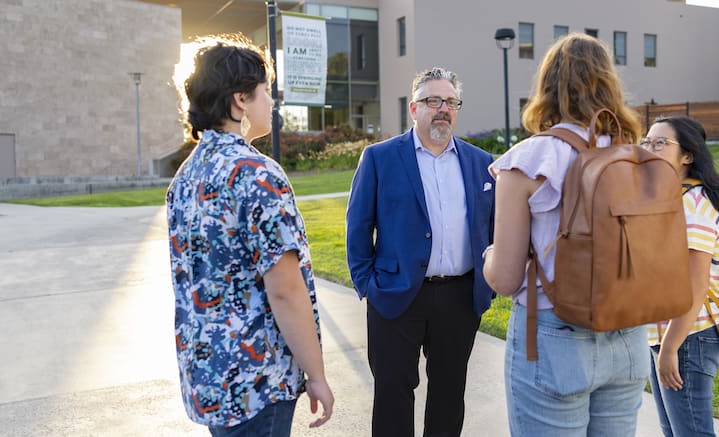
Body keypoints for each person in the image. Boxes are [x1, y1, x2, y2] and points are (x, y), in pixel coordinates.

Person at [482, 33, 649, 436]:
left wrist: (489, 255)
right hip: (628, 334)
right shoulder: (635, 154)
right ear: (610, 82)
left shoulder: (528, 160)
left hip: (555, 336)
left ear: (547, 86)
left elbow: (505, 278)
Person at [166, 34, 333, 436]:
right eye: (265, 92)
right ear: (240, 99)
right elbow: (285, 290)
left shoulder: (185, 178)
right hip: (257, 380)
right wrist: (317, 374)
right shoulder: (256, 174)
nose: (271, 103)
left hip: (209, 378)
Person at [346, 67, 496, 437]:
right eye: (433, 100)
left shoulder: (481, 162)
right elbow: (358, 226)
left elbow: (492, 228)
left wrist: (487, 285)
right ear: (414, 109)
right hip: (396, 296)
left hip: (460, 297)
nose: (442, 108)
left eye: (450, 101)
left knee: (449, 394)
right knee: (393, 394)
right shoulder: (380, 157)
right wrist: (368, 285)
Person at [642, 115, 719, 437]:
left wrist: (669, 349)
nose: (649, 149)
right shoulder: (670, 197)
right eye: (647, 142)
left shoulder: (692, 205)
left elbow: (695, 287)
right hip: (668, 335)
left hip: (688, 336)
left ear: (687, 156)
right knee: (675, 430)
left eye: (660, 143)